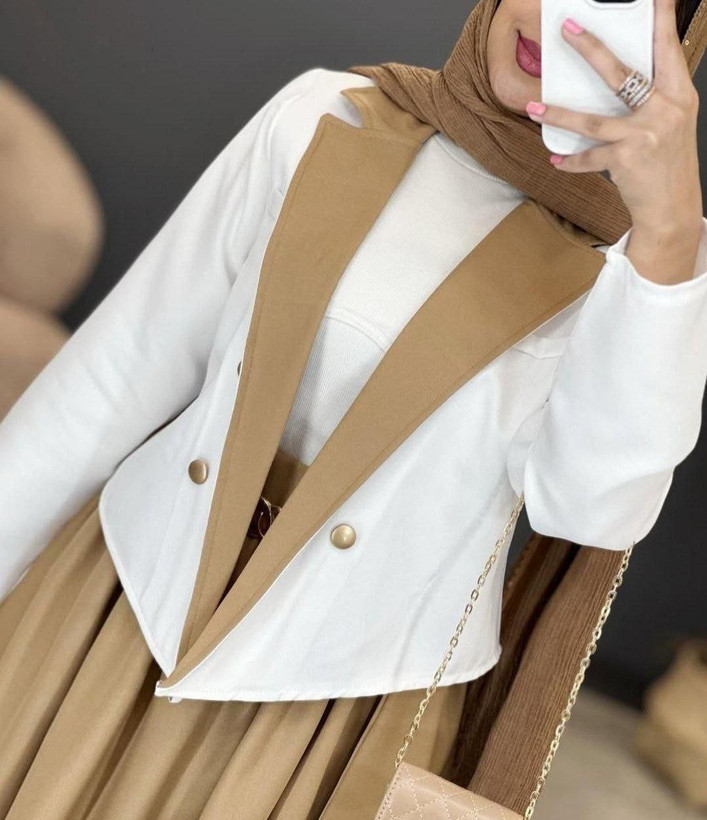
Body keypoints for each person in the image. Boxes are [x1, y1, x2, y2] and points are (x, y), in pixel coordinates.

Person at [0, 0, 705, 818]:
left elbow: (592, 509)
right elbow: (111, 383)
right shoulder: (328, 114)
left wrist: (667, 237)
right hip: (116, 608)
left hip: (331, 713)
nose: (557, 19)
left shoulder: (637, 275)